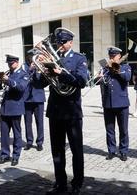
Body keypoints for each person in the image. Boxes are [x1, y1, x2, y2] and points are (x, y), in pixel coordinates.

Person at [42, 27, 88, 195]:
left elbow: (82, 81)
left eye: (62, 42)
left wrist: (61, 73)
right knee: (57, 150)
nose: (59, 45)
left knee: (76, 150)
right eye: (57, 42)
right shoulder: (52, 59)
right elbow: (40, 84)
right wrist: (39, 71)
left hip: (72, 110)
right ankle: (60, 183)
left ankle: (77, 183)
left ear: (70, 42)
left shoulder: (79, 59)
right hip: (55, 111)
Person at [99, 46, 131, 161]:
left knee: (123, 129)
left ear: (119, 57)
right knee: (110, 130)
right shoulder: (105, 68)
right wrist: (99, 77)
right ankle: (111, 151)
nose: (112, 58)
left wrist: (117, 70)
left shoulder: (125, 67)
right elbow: (96, 82)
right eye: (110, 56)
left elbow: (127, 78)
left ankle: (123, 151)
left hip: (122, 104)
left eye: (114, 56)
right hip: (108, 104)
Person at [0, 54, 29, 166]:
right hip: (5, 108)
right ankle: (5, 154)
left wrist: (8, 80)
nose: (10, 65)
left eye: (11, 63)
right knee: (4, 134)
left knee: (17, 134)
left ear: (17, 62)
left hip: (15, 107)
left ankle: (16, 156)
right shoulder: (7, 73)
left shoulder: (23, 74)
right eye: (8, 64)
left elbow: (21, 88)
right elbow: (0, 88)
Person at [22, 53, 46, 151]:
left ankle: (39, 142)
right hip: (27, 98)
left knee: (39, 122)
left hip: (38, 98)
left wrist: (40, 72)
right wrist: (30, 70)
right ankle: (29, 141)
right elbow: (23, 79)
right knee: (28, 122)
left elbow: (43, 82)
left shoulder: (40, 67)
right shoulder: (24, 67)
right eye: (31, 59)